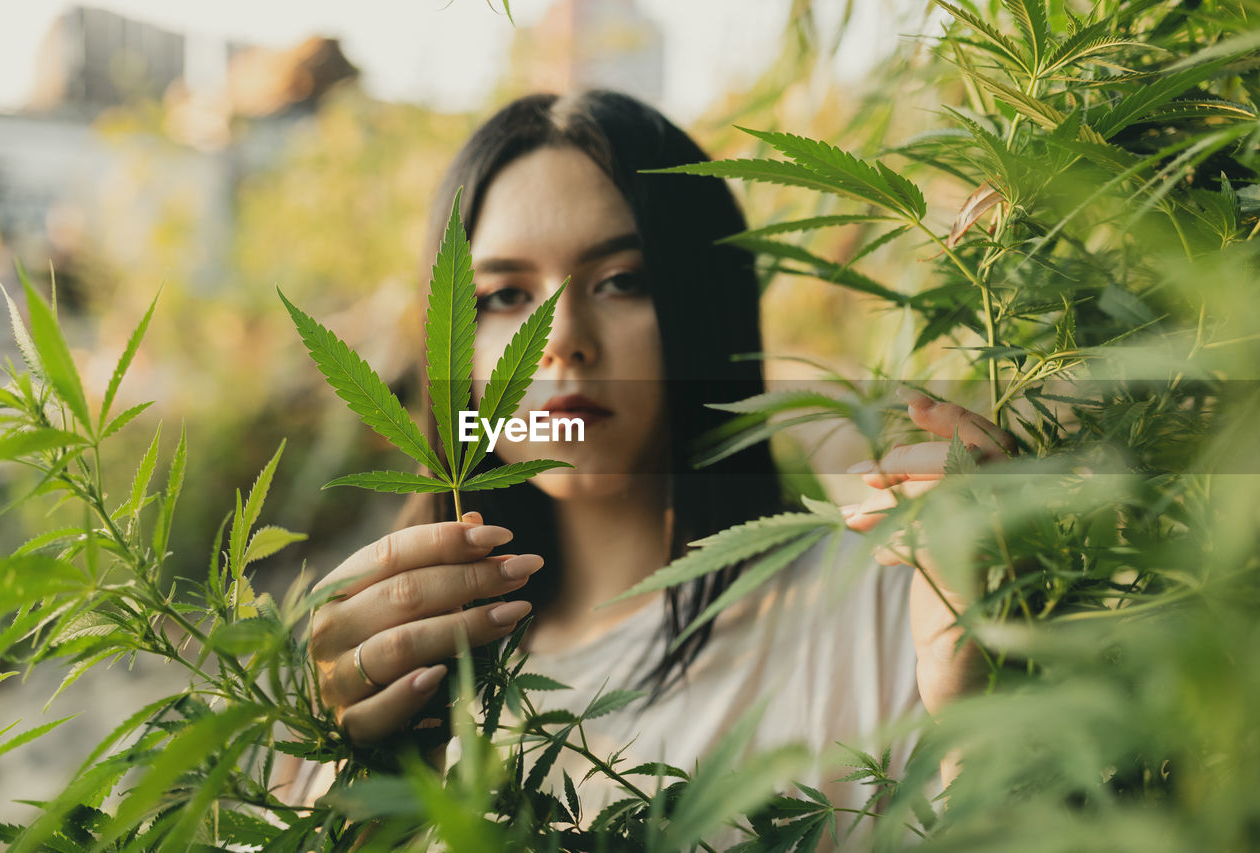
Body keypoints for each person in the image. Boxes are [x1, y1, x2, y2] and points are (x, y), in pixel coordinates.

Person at [299, 90, 1014, 845]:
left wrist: (983, 706)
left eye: (620, 279)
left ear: (703, 303)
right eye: (507, 295)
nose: (560, 338)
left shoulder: (886, 600)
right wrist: (350, 772)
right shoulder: (401, 668)